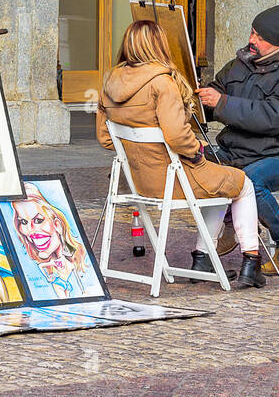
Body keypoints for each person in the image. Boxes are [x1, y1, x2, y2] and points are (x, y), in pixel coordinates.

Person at [98, 19, 266, 287]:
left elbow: (106, 138)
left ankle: (203, 257)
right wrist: (196, 153)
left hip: (137, 181)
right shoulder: (161, 83)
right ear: (159, 45)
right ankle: (251, 262)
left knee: (222, 185)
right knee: (242, 184)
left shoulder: (109, 82)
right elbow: (177, 136)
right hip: (172, 179)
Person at [198, 5, 279, 277]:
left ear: (278, 42)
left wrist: (223, 103)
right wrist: (202, 100)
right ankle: (235, 224)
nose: (252, 40)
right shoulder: (243, 61)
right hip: (244, 149)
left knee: (249, 181)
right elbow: (220, 89)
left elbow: (272, 118)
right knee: (198, 163)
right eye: (252, 32)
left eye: (260, 37)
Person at [11, 183, 95, 299]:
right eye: (24, 222)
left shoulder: (79, 262)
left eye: (39, 220)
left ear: (57, 225)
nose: (31, 230)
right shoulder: (33, 272)